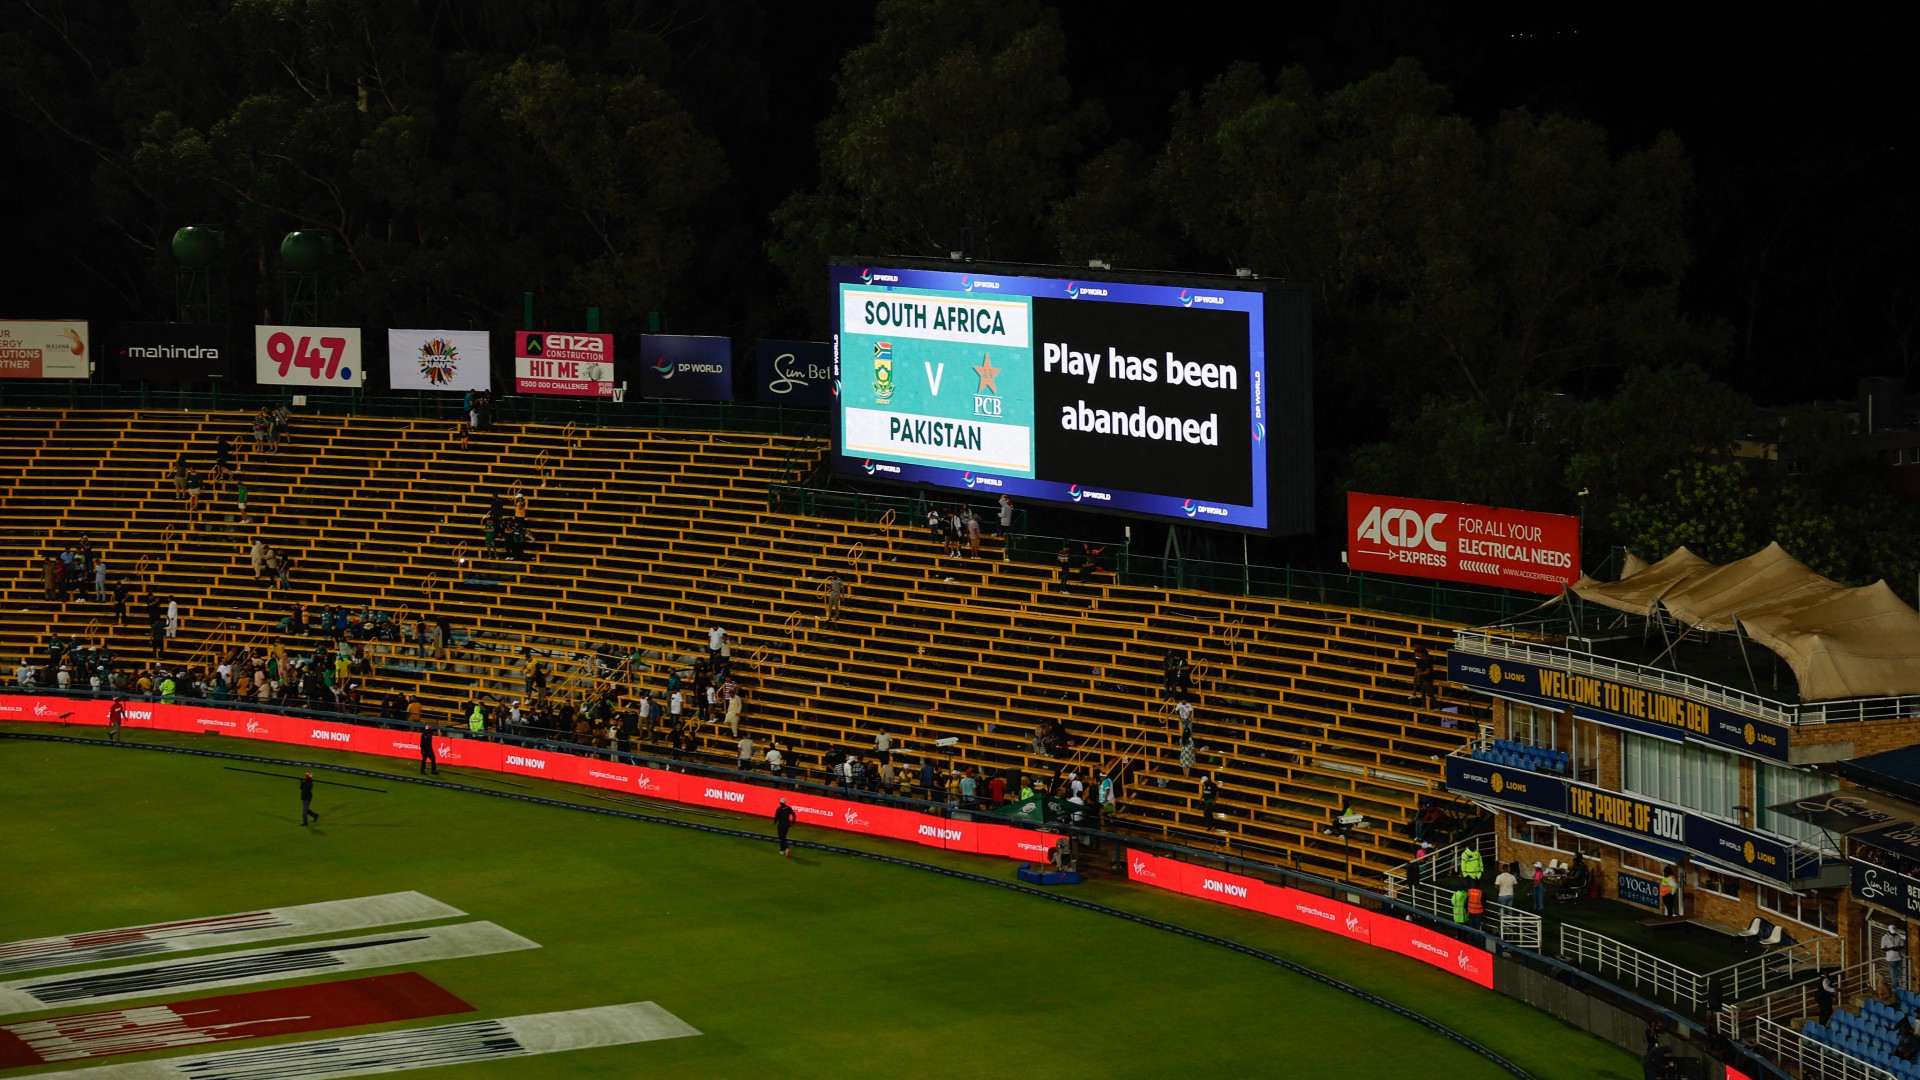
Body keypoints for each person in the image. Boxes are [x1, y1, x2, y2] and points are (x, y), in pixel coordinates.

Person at [1886, 924, 1908, 993]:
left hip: (1898, 957)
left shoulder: (1898, 937)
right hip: (1890, 958)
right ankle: (1895, 987)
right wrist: (1890, 949)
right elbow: (1883, 948)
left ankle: (1893, 986)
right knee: (1893, 973)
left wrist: (1897, 948)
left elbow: (1902, 946)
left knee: (1899, 972)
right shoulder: (1885, 938)